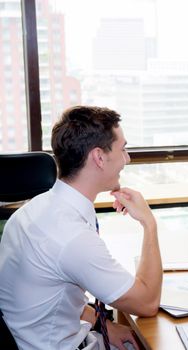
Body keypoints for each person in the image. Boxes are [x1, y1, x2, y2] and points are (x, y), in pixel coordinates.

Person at [0, 106, 162, 349]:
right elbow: (147, 303)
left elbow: (52, 302)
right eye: (123, 149)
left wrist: (105, 325)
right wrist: (149, 224)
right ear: (99, 157)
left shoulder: (33, 211)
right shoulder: (71, 237)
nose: (127, 159)